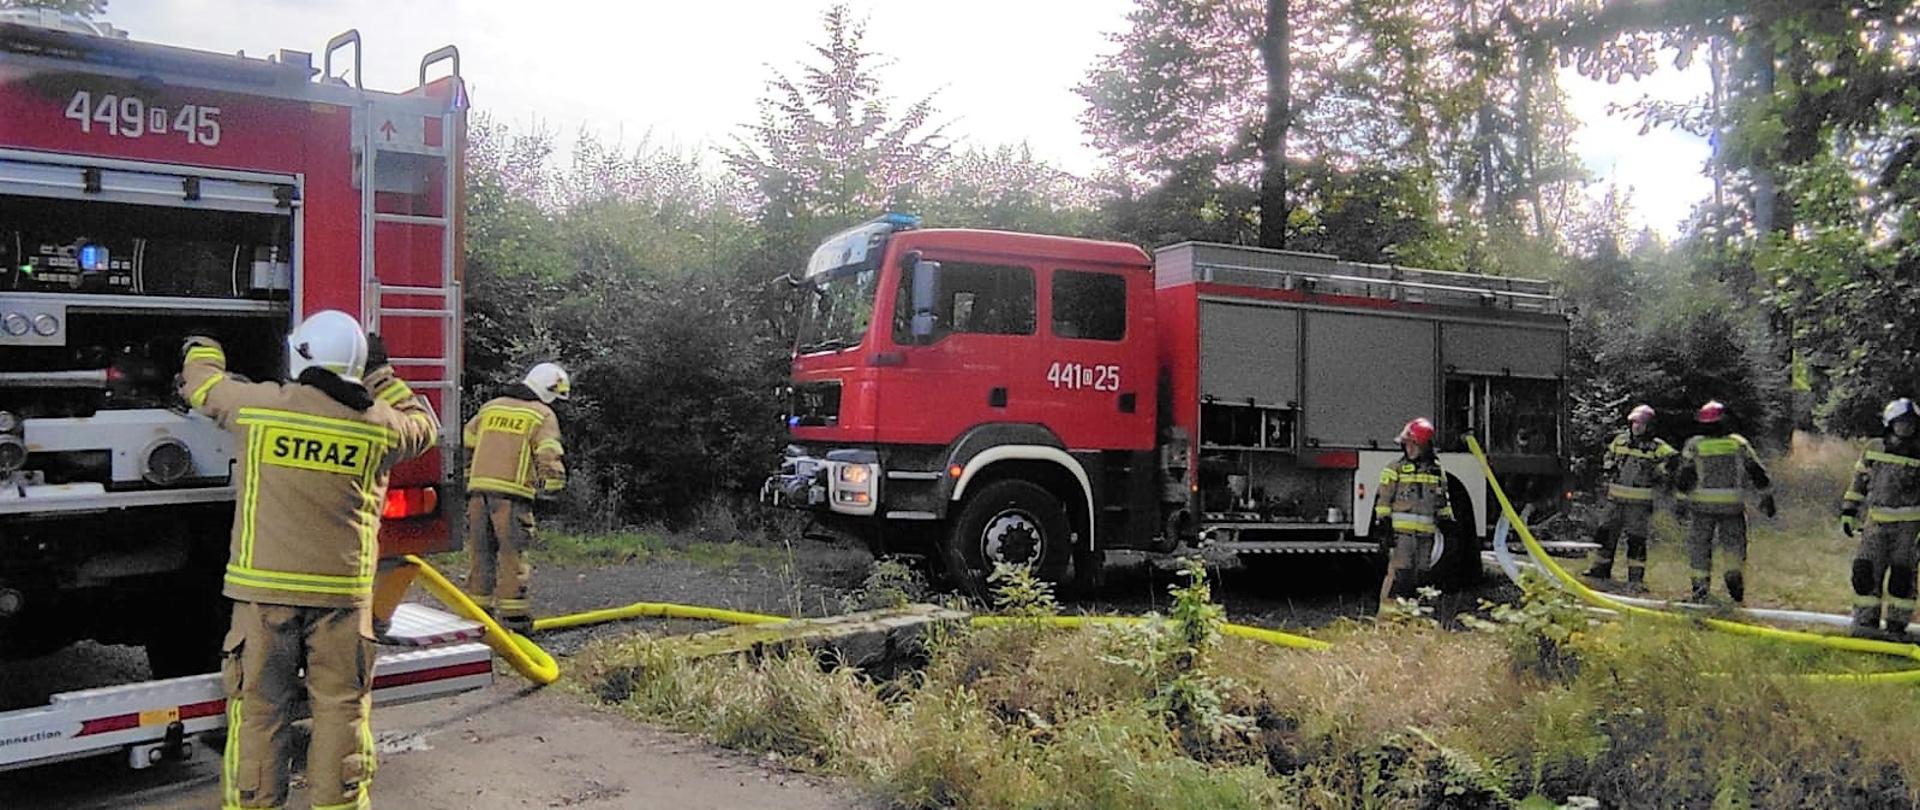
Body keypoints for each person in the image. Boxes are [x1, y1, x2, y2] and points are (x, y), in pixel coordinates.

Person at [180, 311, 438, 810]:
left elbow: (204, 385)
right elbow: (424, 425)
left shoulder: (259, 408)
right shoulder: (380, 428)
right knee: (341, 712)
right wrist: (381, 375)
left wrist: (202, 339)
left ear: (299, 356)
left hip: (263, 597)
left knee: (259, 714)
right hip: (341, 599)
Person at [462, 362, 569, 633]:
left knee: (480, 554)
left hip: (477, 492)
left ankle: (478, 620)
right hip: (511, 496)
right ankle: (515, 621)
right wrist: (554, 485)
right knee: (512, 555)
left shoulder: (491, 407)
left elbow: (467, 438)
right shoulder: (542, 414)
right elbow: (548, 452)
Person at [1674, 400, 1774, 604]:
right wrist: (1766, 497)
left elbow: (1685, 476)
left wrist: (1681, 503)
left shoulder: (1695, 445)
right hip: (1732, 506)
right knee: (1734, 546)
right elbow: (1757, 472)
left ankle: (1700, 590)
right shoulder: (1738, 443)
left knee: (1699, 548)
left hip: (1701, 507)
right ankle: (1732, 574)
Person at [1838, 398, 1920, 638]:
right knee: (1865, 572)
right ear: (1890, 423)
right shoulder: (1874, 448)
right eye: (1901, 423)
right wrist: (1849, 511)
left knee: (1902, 578)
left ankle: (1896, 626)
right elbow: (1859, 481)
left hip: (1909, 528)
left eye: (1911, 424)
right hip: (1875, 525)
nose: (1906, 428)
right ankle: (1865, 623)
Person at [1584, 404, 1678, 592]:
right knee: (1604, 534)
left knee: (1636, 540)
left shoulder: (1657, 446)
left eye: (1640, 423)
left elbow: (1673, 461)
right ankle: (1599, 570)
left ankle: (1635, 580)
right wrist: (1609, 464)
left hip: (1638, 504)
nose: (1636, 426)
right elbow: (1608, 455)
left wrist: (1659, 473)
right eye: (1634, 422)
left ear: (1649, 425)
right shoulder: (1620, 441)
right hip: (1615, 500)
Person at [1374, 417, 1457, 609]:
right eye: (1407, 445)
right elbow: (1384, 500)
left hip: (1426, 537)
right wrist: (1383, 525)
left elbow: (1442, 501)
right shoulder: (1395, 469)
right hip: (1401, 536)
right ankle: (1386, 617)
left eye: (1414, 445)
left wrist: (1449, 524)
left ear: (1425, 446)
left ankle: (1413, 619)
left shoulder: (1437, 472)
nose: (1409, 449)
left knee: (1421, 579)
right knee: (1397, 577)